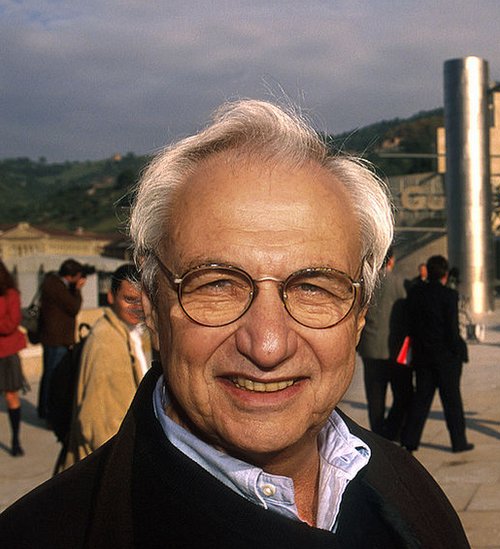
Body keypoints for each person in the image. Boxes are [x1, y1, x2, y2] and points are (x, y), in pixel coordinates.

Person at [0, 99, 469, 548]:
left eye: (313, 287)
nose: (267, 345)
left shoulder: (410, 491)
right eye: (217, 284)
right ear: (153, 309)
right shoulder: (42, 534)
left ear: (359, 315)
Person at [61, 264, 152, 469]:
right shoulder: (107, 343)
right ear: (111, 297)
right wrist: (119, 470)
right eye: (129, 299)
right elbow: (97, 424)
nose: (137, 307)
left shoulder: (127, 332)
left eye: (142, 300)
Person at [400, 255, 472, 454]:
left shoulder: (414, 293)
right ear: (445, 274)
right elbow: (451, 329)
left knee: (421, 399)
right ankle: (458, 442)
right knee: (452, 401)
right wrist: (459, 350)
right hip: (446, 357)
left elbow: (410, 324)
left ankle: (410, 440)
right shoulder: (449, 295)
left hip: (423, 356)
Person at [356, 251, 412, 442]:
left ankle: (379, 435)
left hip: (371, 348)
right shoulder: (400, 282)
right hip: (396, 349)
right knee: (402, 394)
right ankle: (393, 430)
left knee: (375, 397)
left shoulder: (365, 285)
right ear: (392, 261)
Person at [37, 259, 91, 419]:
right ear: (71, 276)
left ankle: (44, 410)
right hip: (57, 340)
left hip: (53, 338)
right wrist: (78, 289)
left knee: (49, 375)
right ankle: (48, 411)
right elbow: (73, 307)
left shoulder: (52, 282)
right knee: (54, 377)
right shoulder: (57, 287)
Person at [0, 260, 28, 457]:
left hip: (7, 353)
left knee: (11, 396)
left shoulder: (11, 294)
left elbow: (11, 324)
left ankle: (15, 439)